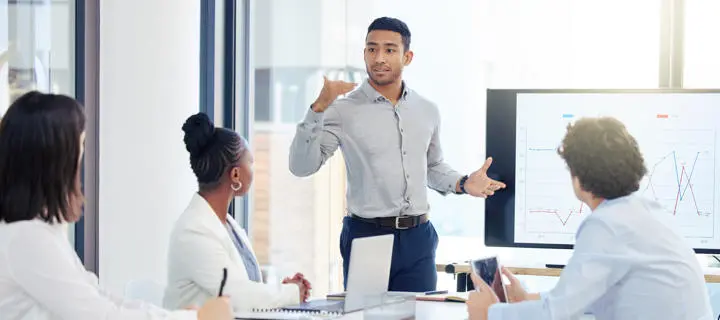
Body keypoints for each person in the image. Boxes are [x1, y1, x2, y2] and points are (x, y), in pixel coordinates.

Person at [288, 16, 506, 292]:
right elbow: (301, 166)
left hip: (418, 238)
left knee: (419, 313)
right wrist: (318, 108)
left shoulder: (427, 110)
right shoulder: (342, 110)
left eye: (390, 49)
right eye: (372, 48)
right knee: (367, 316)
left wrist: (463, 183)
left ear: (408, 57)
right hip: (367, 235)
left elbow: (433, 166)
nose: (379, 57)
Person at [0, 91, 232, 320]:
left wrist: (177, 316)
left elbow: (96, 297)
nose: (81, 155)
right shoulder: (27, 239)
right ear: (54, 158)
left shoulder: (38, 231)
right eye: (79, 144)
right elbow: (99, 315)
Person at [466, 117, 713, 320]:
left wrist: (490, 313)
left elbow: (558, 314)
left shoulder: (607, 224)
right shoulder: (647, 211)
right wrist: (527, 299)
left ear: (579, 175)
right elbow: (592, 297)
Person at [164, 112, 311, 312]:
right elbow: (237, 296)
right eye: (250, 162)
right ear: (235, 174)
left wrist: (281, 292)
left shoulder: (226, 226)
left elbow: (244, 286)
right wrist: (291, 293)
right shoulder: (193, 231)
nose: (253, 169)